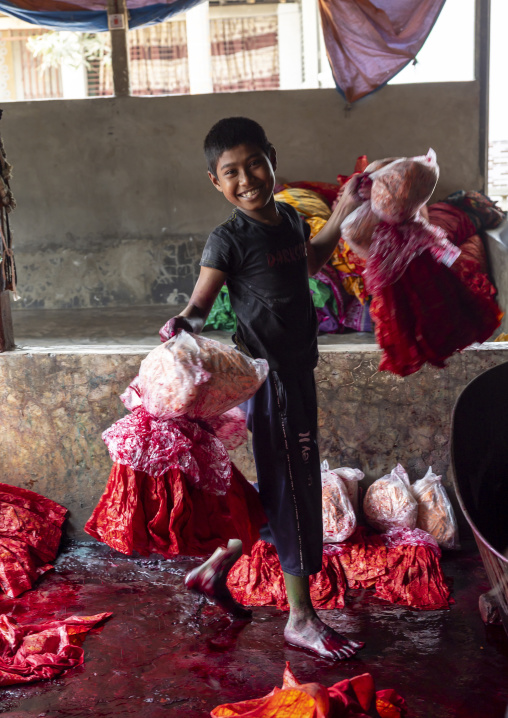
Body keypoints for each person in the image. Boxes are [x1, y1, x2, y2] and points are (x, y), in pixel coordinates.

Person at [159, 117, 363, 660]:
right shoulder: (227, 239)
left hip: (300, 372)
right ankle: (300, 618)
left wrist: (343, 212)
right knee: (294, 490)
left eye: (254, 163)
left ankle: (214, 568)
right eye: (231, 172)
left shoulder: (291, 218)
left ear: (272, 158)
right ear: (215, 182)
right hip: (269, 384)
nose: (246, 178)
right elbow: (200, 306)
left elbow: (310, 262)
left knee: (282, 486)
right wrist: (182, 326)